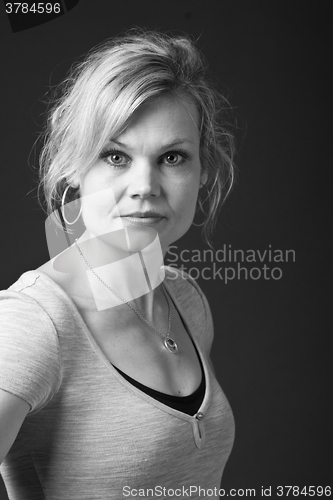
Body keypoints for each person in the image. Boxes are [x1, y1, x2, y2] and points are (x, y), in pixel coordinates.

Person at [0, 30, 236, 499]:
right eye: (115, 156)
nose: (144, 185)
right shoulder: (33, 322)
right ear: (74, 166)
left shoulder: (185, 299)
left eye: (172, 157)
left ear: (202, 170)